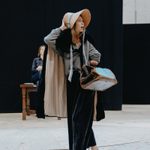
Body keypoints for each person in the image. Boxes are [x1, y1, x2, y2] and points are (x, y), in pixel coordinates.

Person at [44, 9, 104, 150]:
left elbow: (97, 55)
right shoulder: (64, 44)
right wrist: (61, 27)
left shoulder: (85, 41)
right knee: (74, 120)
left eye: (83, 21)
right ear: (72, 25)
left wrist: (92, 62)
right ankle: (90, 147)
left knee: (79, 118)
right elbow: (48, 39)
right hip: (71, 83)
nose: (83, 24)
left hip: (86, 82)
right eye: (79, 21)